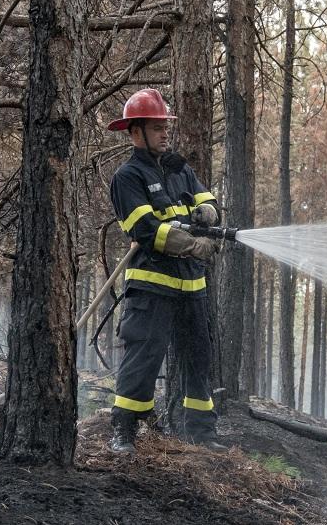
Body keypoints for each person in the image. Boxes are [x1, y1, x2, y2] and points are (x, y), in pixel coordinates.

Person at [106, 88, 224, 453]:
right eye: (157, 127)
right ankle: (124, 431)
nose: (164, 133)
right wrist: (193, 245)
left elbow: (207, 200)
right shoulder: (127, 177)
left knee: (199, 360)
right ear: (134, 131)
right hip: (152, 284)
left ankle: (201, 435)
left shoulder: (180, 169)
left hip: (192, 285)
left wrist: (210, 213)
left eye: (165, 126)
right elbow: (144, 230)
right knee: (143, 355)